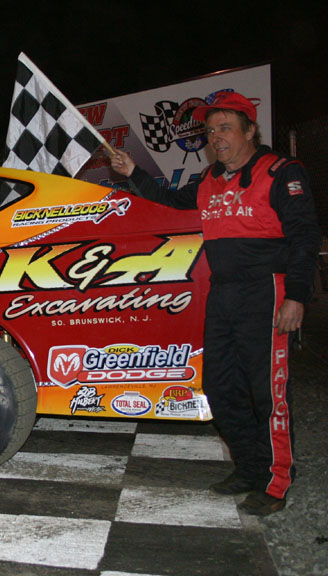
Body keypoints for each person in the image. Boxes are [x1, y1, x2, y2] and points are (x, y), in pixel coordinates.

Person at [110, 91, 320, 516]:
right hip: (223, 292)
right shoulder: (209, 178)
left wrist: (297, 295)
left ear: (249, 130)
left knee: (268, 391)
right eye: (210, 131)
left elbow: (305, 236)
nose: (215, 137)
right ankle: (250, 468)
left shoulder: (281, 171)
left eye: (225, 128)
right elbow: (171, 200)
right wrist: (133, 171)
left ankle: (277, 481)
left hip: (267, 288)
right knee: (220, 386)